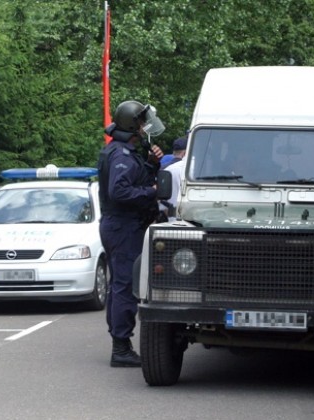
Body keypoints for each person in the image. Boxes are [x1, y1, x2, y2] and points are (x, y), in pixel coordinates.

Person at [98, 100, 165, 367]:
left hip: (123, 225)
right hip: (123, 225)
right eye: (140, 122)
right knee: (125, 285)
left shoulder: (125, 151)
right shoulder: (121, 155)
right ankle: (121, 347)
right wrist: (152, 192)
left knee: (120, 284)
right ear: (131, 124)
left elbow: (134, 180)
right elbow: (121, 191)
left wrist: (151, 163)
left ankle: (120, 340)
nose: (144, 126)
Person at [159, 136, 187, 222]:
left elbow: (160, 201)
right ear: (184, 153)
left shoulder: (163, 169)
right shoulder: (190, 169)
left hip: (169, 219)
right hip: (189, 220)